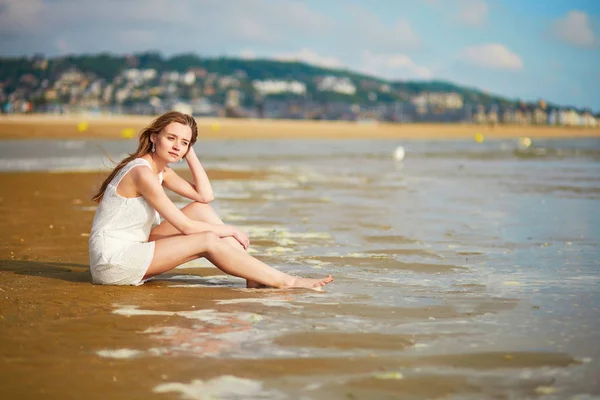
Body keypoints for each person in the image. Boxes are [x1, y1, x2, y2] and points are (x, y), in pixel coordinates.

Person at [89, 111, 333, 289]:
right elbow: (185, 227)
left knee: (200, 209)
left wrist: (189, 150)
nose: (177, 147)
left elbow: (205, 196)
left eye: (183, 142)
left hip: (135, 247)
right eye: (171, 138)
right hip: (114, 263)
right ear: (154, 137)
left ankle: (253, 275)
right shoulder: (142, 173)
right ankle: (285, 281)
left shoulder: (161, 170)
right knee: (206, 239)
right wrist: (229, 229)